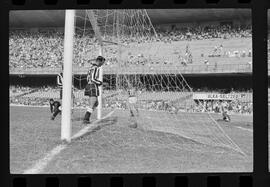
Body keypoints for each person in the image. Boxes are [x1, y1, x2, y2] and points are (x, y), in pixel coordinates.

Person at [83, 56, 106, 124]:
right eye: (102, 62)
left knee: (96, 103)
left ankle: (87, 116)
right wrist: (101, 83)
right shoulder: (96, 68)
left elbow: (88, 78)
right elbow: (93, 79)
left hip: (89, 85)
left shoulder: (92, 67)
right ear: (99, 61)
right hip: (92, 85)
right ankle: (86, 118)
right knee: (93, 103)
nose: (102, 64)